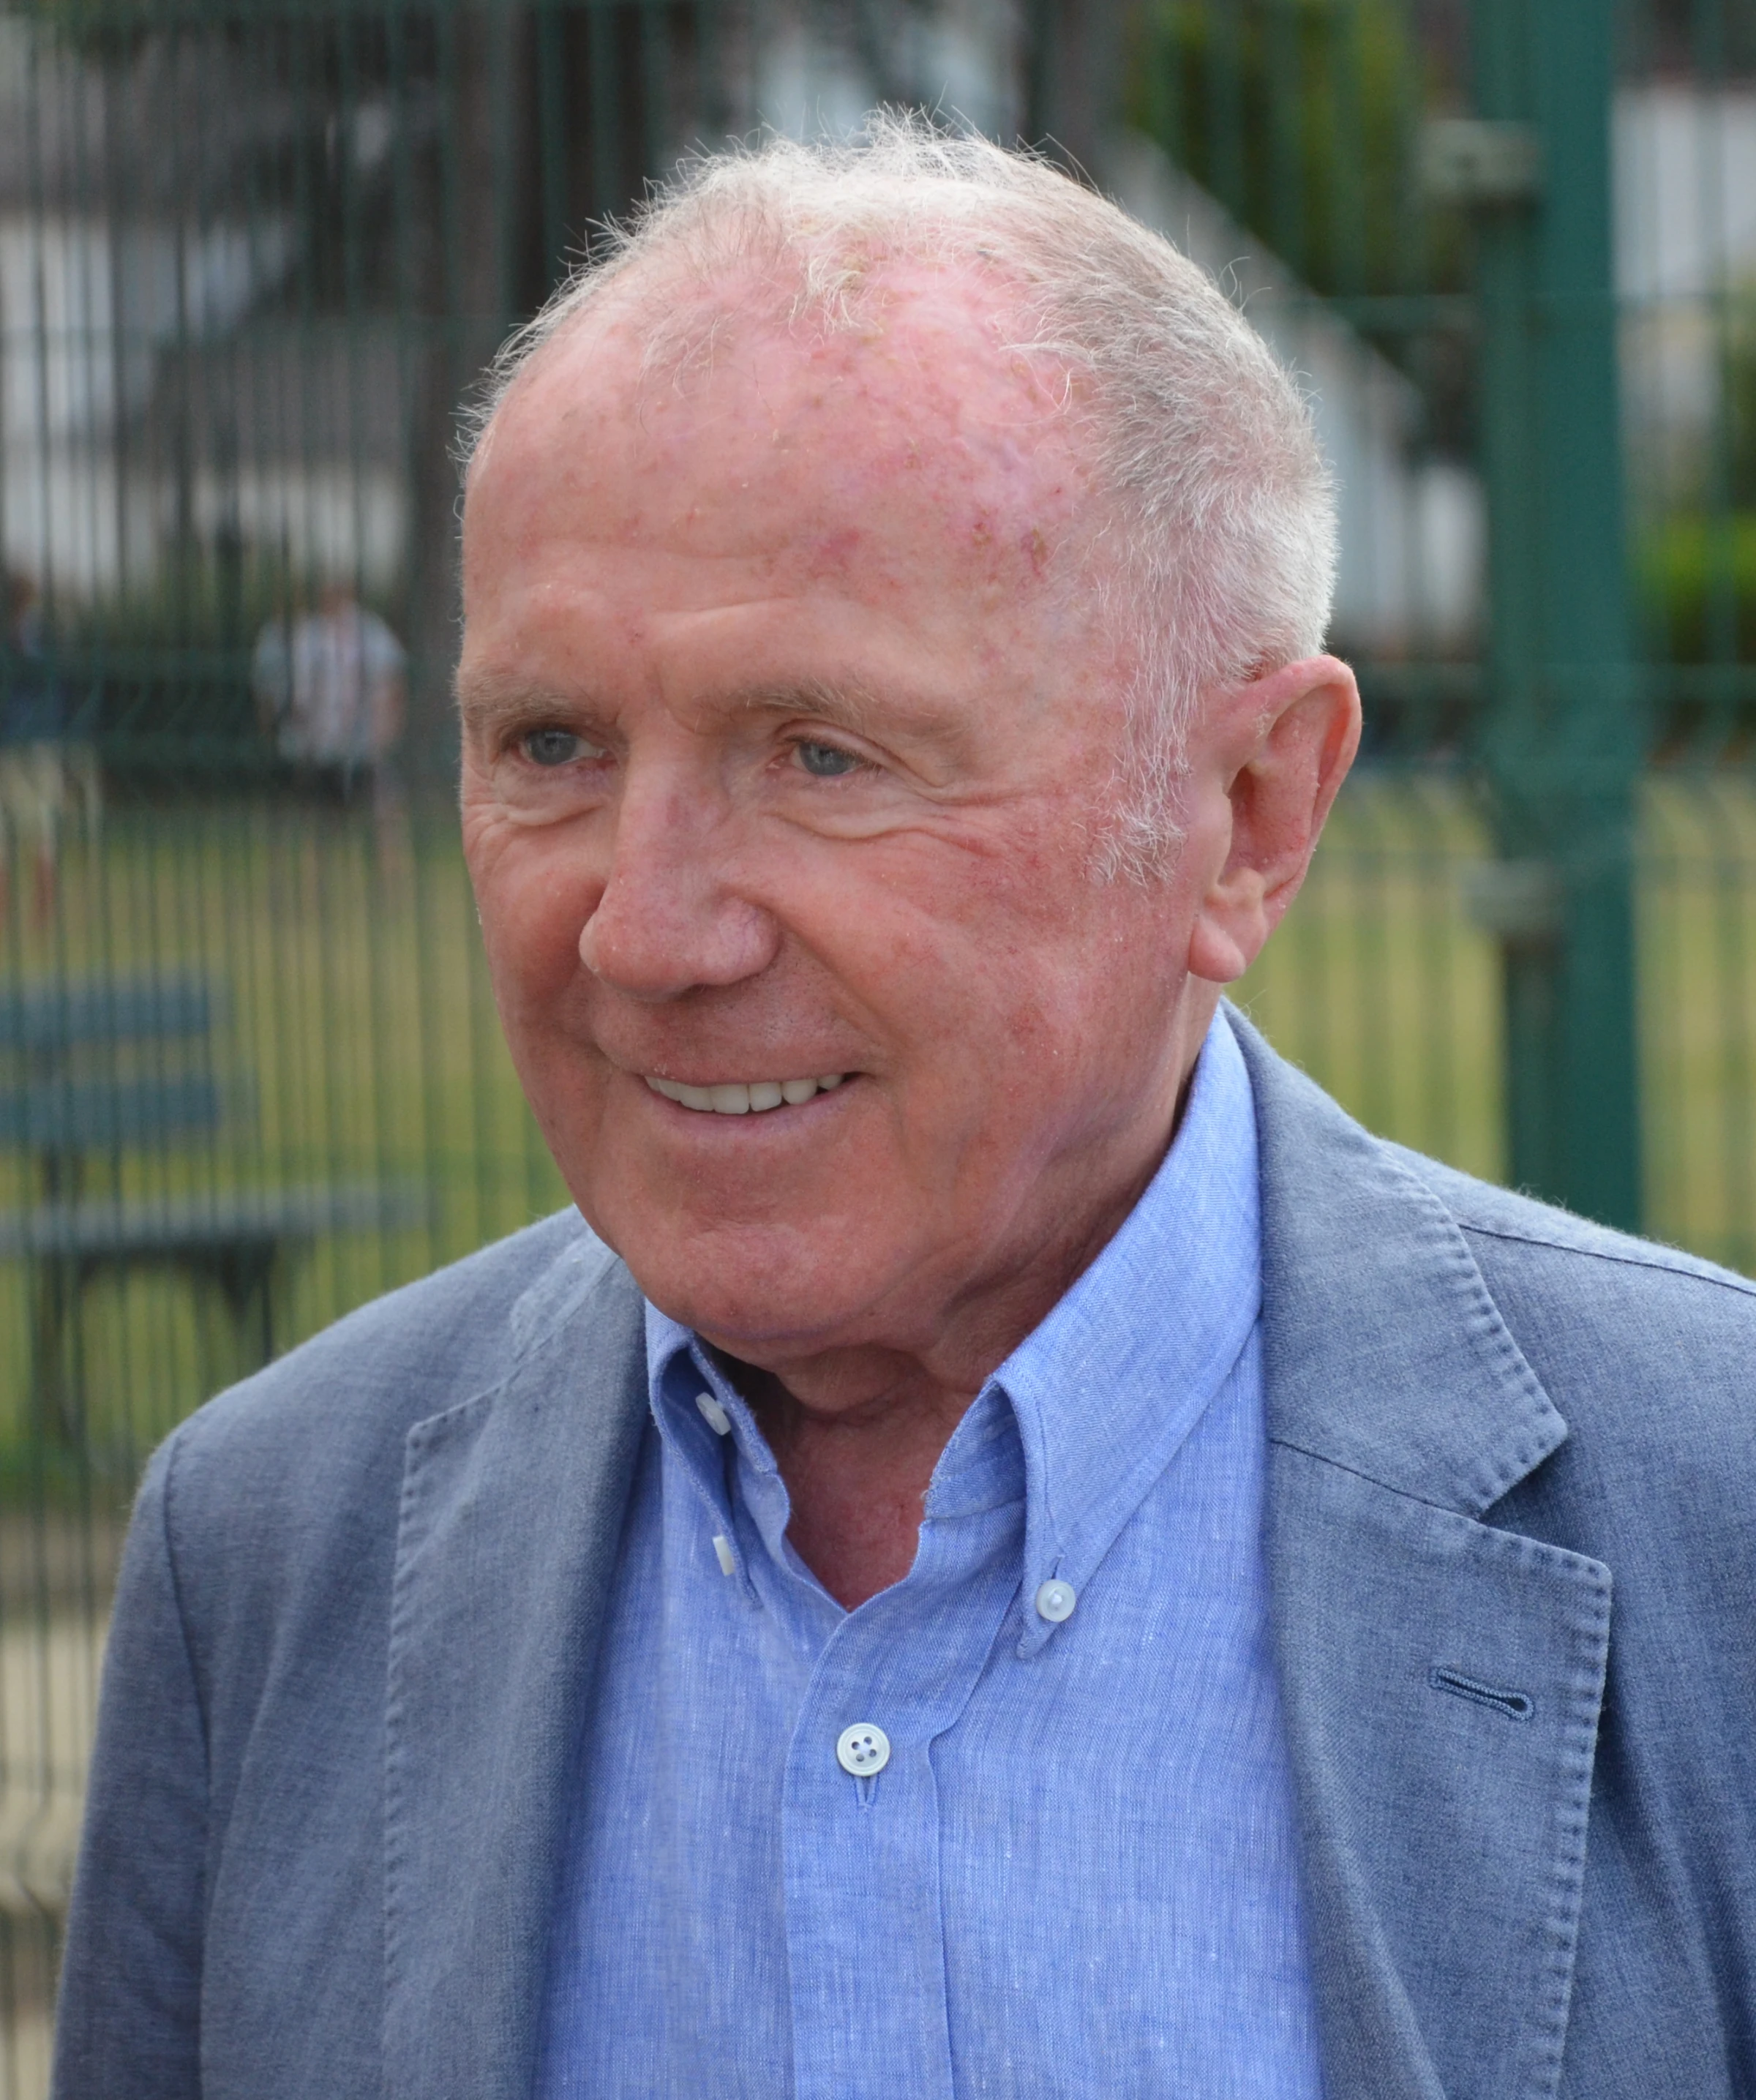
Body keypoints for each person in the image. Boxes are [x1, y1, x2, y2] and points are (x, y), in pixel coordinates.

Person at [53, 123, 1756, 2100]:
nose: (645, 930)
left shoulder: (1707, 1513)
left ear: (1246, 814)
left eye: (823, 754)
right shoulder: (270, 1543)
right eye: (551, 741)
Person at [252, 582, 408, 857]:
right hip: (315, 740)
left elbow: (391, 684)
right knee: (316, 811)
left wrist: (385, 729)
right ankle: (312, 863)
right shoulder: (305, 633)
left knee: (383, 805)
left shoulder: (370, 632)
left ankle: (391, 864)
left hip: (360, 739)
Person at [1, 571, 98, 928]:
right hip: (39, 741)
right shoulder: (43, 635)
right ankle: (41, 918)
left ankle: (11, 917)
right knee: (42, 831)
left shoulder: (21, 636)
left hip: (12, 741)